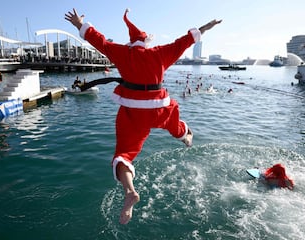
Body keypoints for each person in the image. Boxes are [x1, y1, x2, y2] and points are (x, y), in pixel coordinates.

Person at [65, 8, 221, 224]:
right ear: (147, 41)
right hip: (159, 108)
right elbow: (184, 41)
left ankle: (129, 190)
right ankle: (185, 136)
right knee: (176, 124)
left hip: (132, 111)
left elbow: (99, 41)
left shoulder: (122, 52)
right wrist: (205, 28)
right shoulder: (160, 52)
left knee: (124, 155)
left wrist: (79, 24)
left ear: (132, 43)